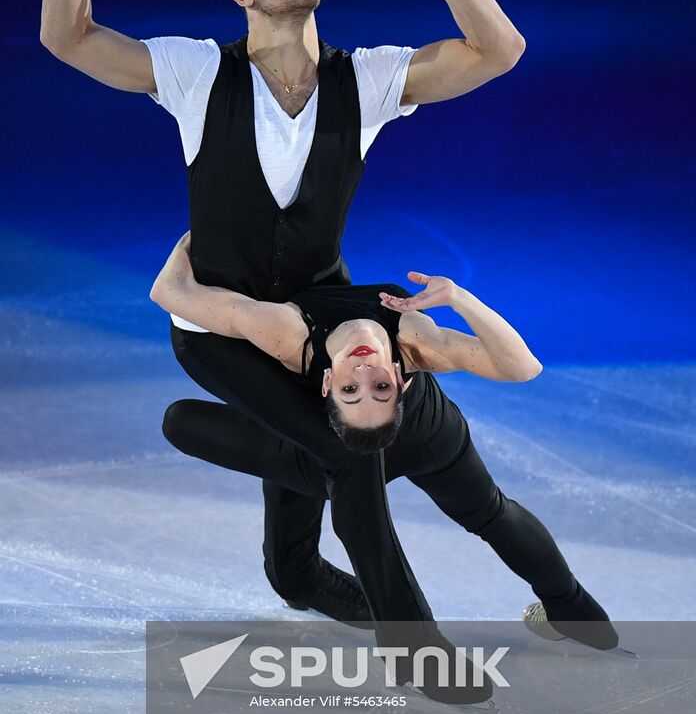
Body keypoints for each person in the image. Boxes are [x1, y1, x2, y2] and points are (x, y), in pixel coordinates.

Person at [40, 0, 527, 623]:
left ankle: (367, 602)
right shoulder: (199, 74)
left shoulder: (364, 80)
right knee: (342, 454)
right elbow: (70, 38)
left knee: (294, 573)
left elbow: (498, 52)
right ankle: (419, 646)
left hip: (318, 325)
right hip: (220, 331)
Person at [150, 232, 620, 662]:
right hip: (389, 443)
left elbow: (172, 294)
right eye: (375, 388)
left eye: (359, 391)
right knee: (488, 513)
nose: (363, 376)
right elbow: (522, 367)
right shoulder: (411, 339)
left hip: (408, 436)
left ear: (328, 386)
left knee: (488, 513)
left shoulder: (293, 335)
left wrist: (201, 237)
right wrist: (457, 299)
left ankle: (563, 610)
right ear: (397, 377)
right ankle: (573, 612)